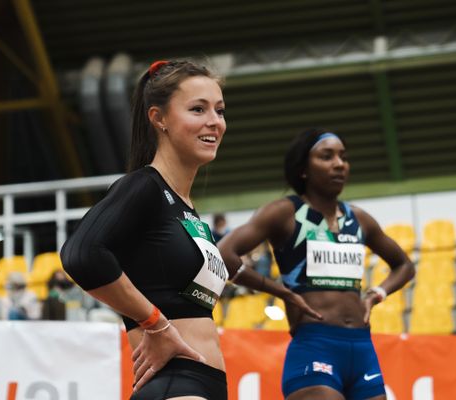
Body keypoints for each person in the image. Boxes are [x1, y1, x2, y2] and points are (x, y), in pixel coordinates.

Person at [60, 60, 317, 400]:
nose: (214, 121)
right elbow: (82, 255)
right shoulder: (143, 187)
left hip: (203, 384)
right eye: (198, 109)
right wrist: (156, 323)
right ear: (159, 118)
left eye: (220, 110)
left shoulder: (186, 208)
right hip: (174, 383)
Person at [218, 128, 415, 400]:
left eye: (343, 157)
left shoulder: (359, 219)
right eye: (326, 156)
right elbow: (223, 253)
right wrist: (280, 291)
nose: (339, 164)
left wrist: (374, 295)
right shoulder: (284, 213)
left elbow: (404, 265)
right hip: (314, 345)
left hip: (362, 348)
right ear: (303, 169)